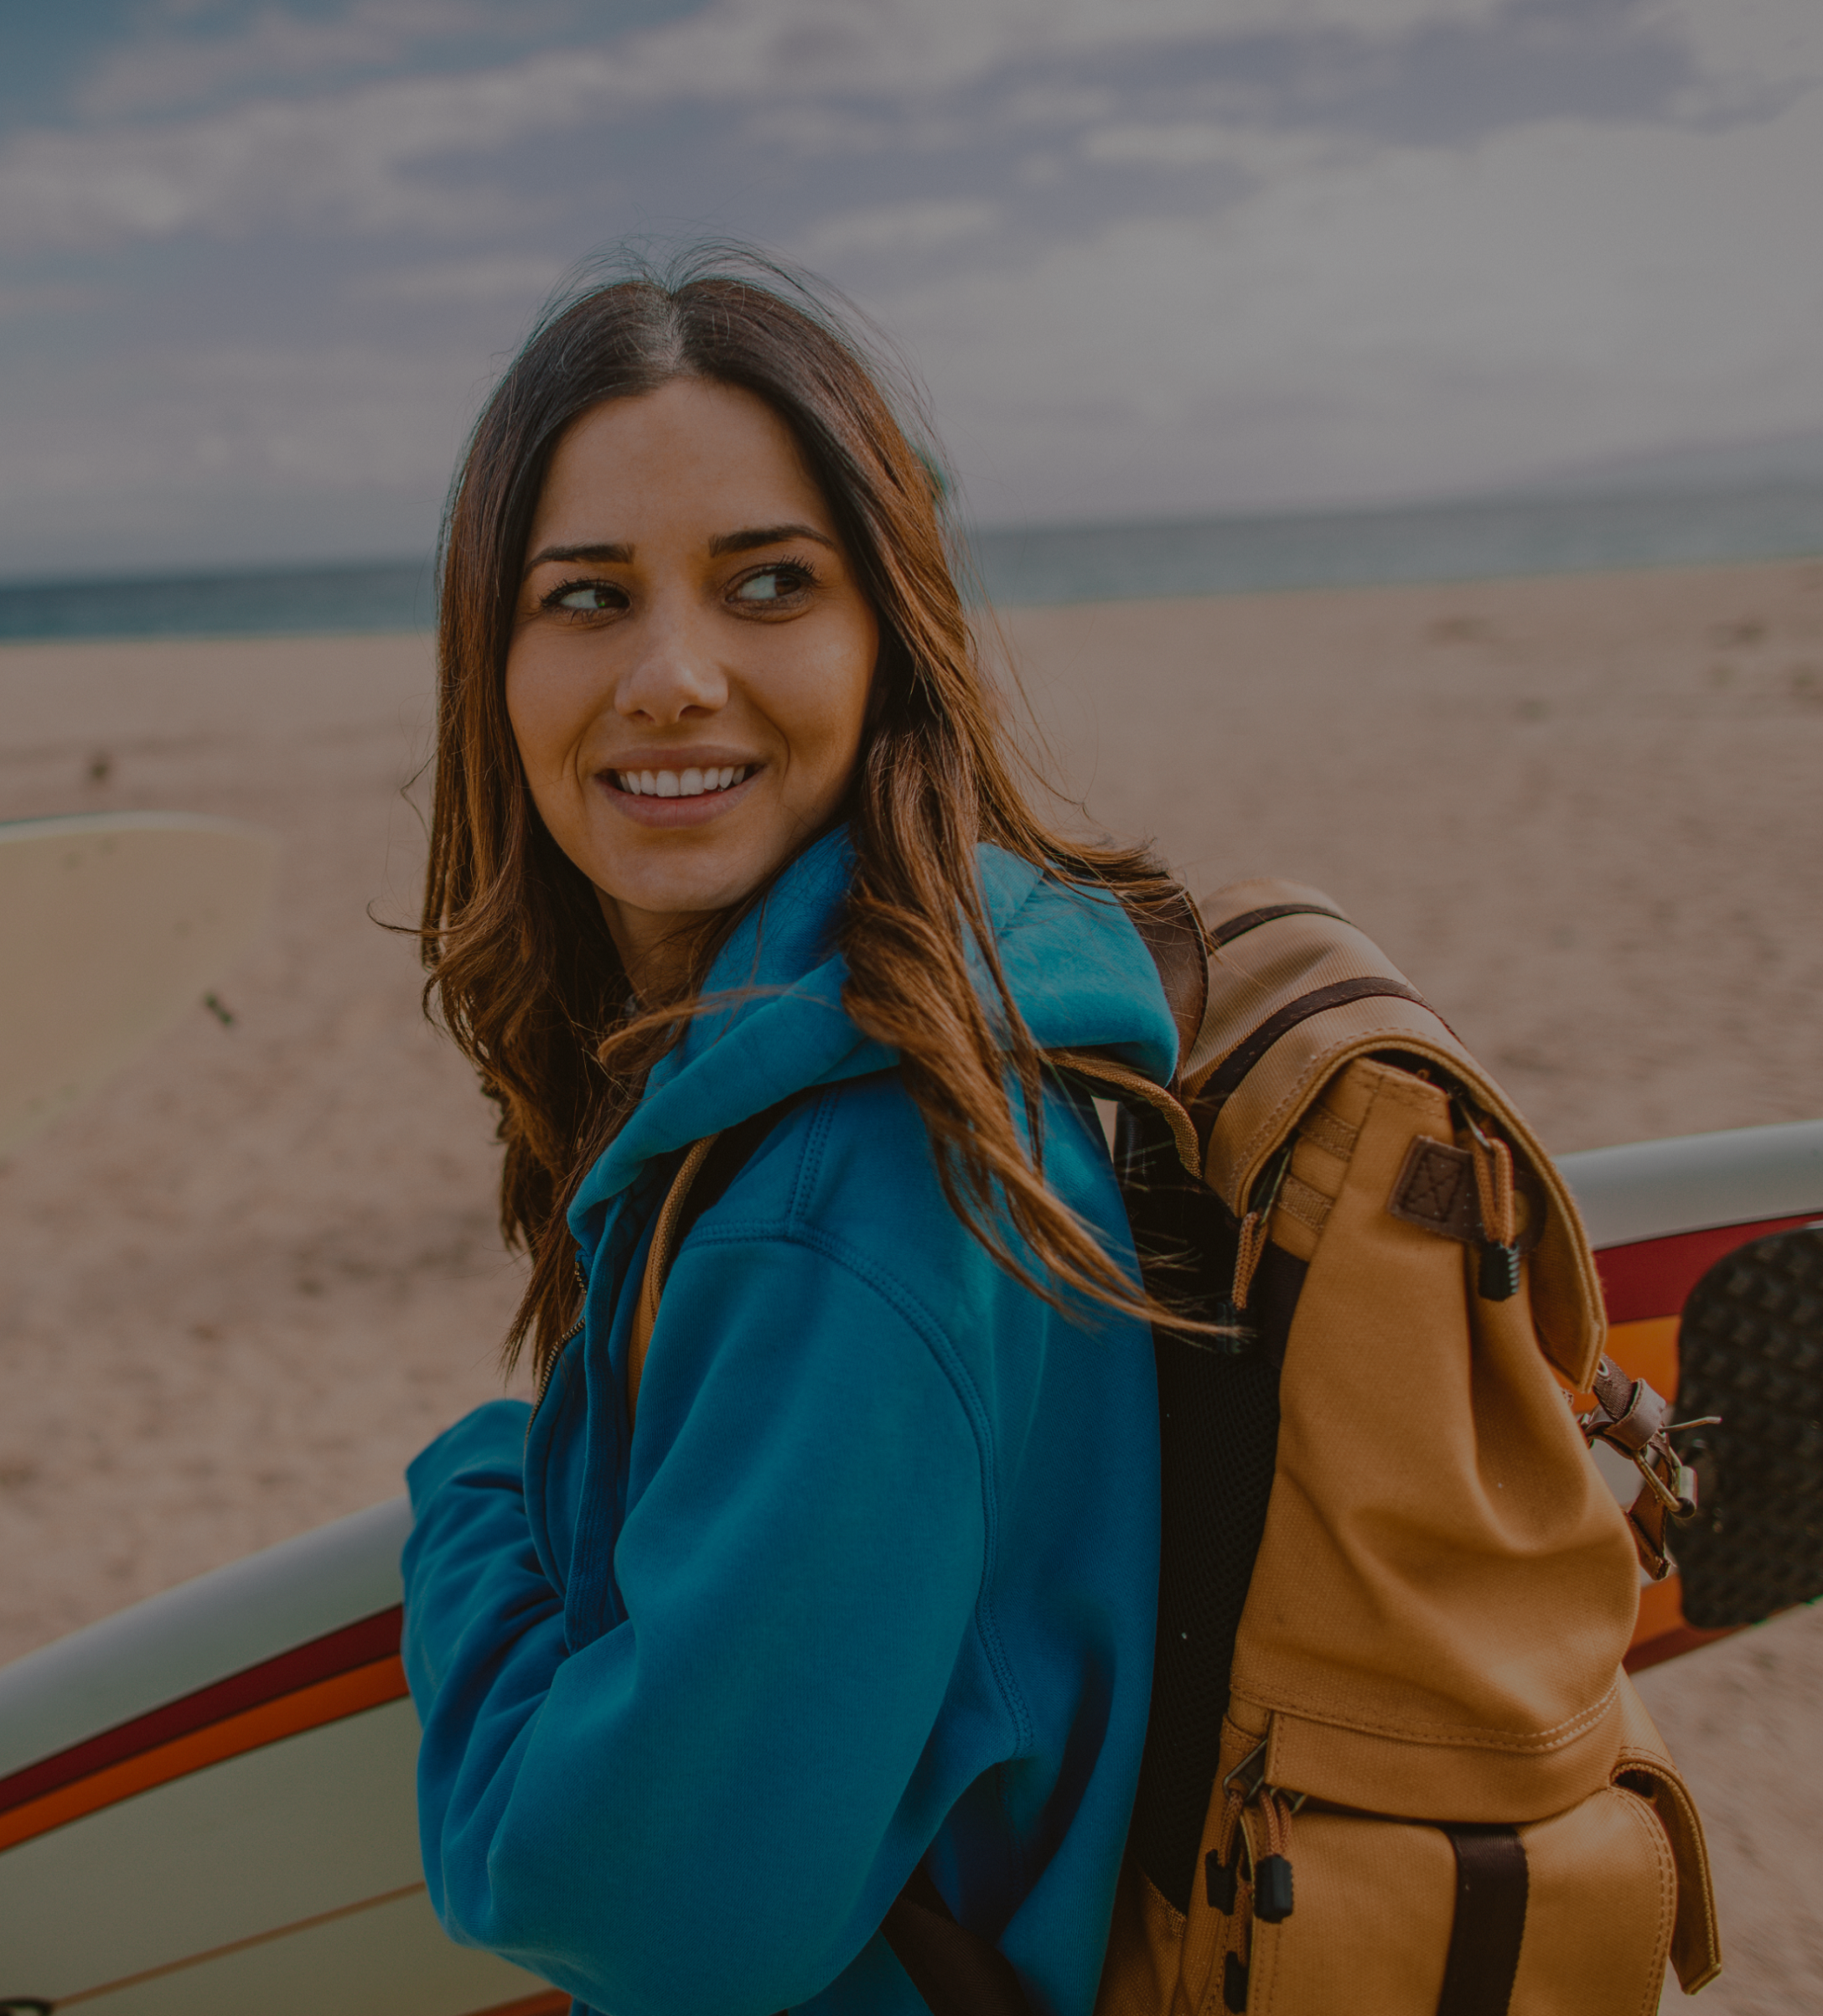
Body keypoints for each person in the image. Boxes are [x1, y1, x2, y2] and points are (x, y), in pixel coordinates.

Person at [398, 248, 1189, 2016]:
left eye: (768, 584)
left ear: (886, 635)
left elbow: (647, 1908)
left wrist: (468, 1503)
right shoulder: (965, 1002)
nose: (674, 675)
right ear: (494, 660)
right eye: (588, 597)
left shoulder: (860, 1184)